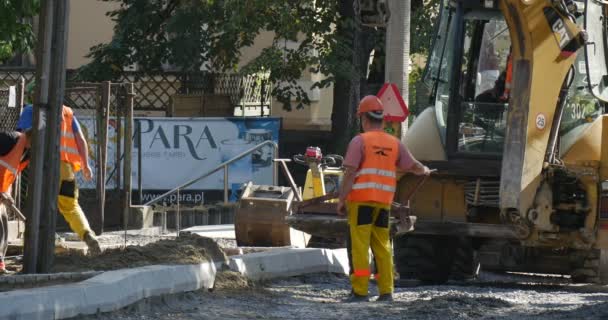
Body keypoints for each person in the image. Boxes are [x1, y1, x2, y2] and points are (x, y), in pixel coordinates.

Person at [337, 95, 431, 302]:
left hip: (361, 201)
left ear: (363, 118)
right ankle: (386, 291)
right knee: (382, 245)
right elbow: (415, 167)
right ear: (382, 119)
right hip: (383, 203)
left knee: (360, 246)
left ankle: (360, 292)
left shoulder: (359, 141)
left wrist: (342, 199)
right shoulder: (394, 143)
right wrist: (425, 170)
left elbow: (350, 172)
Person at [17, 103, 102, 255]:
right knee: (71, 207)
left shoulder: (31, 109)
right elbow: (80, 139)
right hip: (66, 169)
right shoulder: (67, 112)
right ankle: (87, 234)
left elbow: (22, 136)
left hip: (43, 166)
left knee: (36, 206)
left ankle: (37, 247)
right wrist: (85, 165)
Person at [0, 129, 33, 274]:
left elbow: (10, 173)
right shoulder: (8, 139)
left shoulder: (27, 153)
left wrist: (6, 192)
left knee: (2, 222)